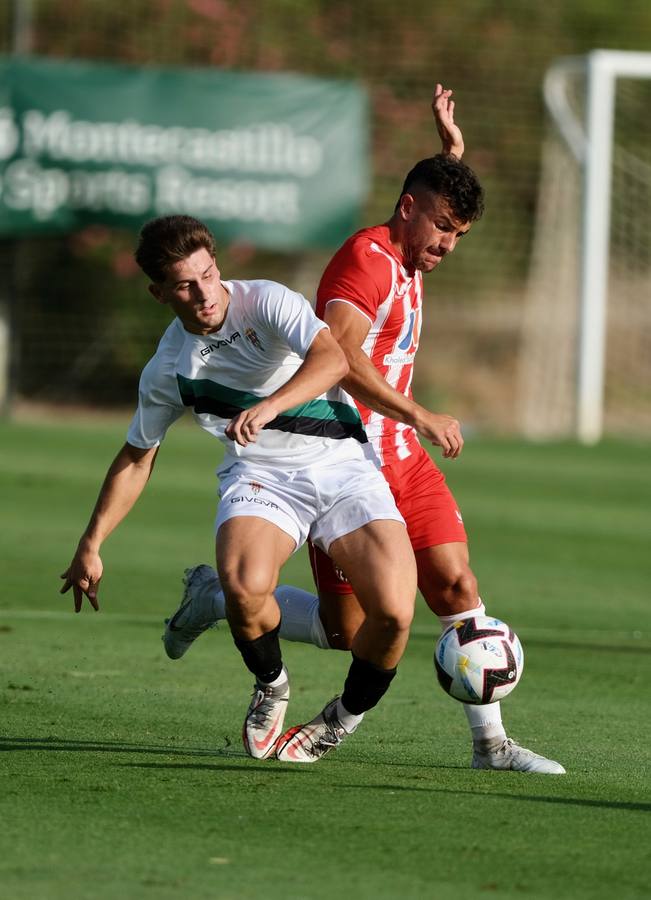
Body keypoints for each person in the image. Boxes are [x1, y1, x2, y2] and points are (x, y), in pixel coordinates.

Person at [164, 86, 565, 774]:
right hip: (345, 461)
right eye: (443, 228)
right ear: (407, 209)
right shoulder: (365, 262)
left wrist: (451, 155)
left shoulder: (413, 245)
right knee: (349, 630)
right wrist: (420, 412)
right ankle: (216, 597)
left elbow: (432, 196)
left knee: (455, 586)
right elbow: (341, 358)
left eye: (459, 234)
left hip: (403, 458)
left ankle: (490, 745)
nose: (448, 245)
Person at [60, 214, 417, 764]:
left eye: (208, 274)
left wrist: (270, 406)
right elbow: (136, 456)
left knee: (392, 614)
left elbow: (334, 358)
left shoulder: (265, 301)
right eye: (185, 285)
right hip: (260, 476)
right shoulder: (168, 368)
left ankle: (341, 718)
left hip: (342, 464)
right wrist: (92, 542)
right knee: (244, 586)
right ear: (159, 293)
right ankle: (271, 684)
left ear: (217, 264)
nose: (205, 293)